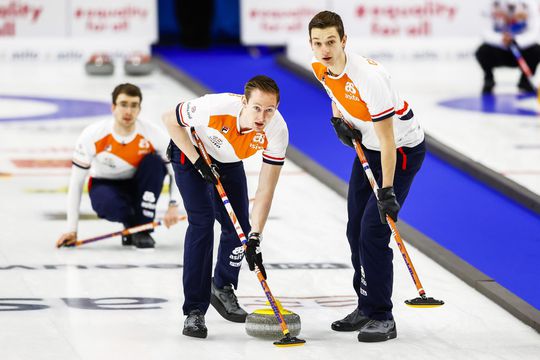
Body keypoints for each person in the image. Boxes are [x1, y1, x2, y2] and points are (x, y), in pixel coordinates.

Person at [308, 11, 426, 342]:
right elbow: (335, 95)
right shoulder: (319, 66)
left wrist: (388, 192)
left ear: (344, 40)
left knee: (373, 230)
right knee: (353, 227)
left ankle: (382, 316)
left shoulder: (369, 78)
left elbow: (388, 140)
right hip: (368, 147)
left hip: (399, 151)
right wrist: (339, 123)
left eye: (331, 41)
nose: (325, 49)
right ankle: (365, 304)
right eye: (318, 43)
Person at [162, 75, 288, 339]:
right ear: (244, 102)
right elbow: (169, 119)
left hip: (228, 161)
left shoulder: (277, 132)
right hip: (191, 153)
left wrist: (256, 236)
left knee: (240, 228)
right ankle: (195, 311)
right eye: (256, 108)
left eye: (269, 110)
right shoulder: (213, 107)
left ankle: (222, 285)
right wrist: (198, 163)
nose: (262, 117)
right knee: (202, 222)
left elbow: (266, 189)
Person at [56, 83, 181, 249]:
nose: (128, 111)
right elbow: (76, 183)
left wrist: (173, 205)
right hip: (105, 184)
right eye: (123, 105)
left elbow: (177, 171)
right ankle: (133, 225)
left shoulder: (154, 134)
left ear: (139, 109)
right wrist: (72, 230)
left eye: (134, 105)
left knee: (155, 163)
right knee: (111, 205)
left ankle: (142, 229)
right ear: (113, 107)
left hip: (140, 184)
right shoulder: (92, 135)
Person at [476, 0, 540, 94]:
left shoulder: (529, 3)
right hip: (498, 48)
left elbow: (534, 31)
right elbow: (484, 29)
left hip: (521, 48)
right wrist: (500, 39)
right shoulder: (491, 3)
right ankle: (489, 80)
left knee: (537, 51)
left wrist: (516, 40)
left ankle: (525, 81)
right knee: (482, 51)